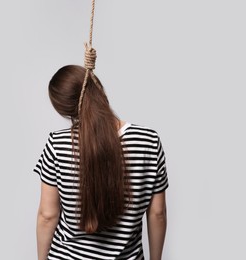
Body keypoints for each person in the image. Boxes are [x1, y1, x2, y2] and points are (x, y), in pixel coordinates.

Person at [33, 65, 169, 260]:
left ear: (64, 109)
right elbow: (157, 213)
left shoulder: (57, 144)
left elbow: (47, 216)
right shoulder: (148, 140)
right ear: (99, 90)